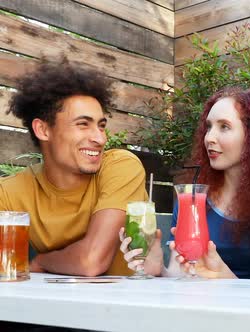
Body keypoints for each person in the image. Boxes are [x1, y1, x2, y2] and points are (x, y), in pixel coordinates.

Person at [0, 58, 147, 276]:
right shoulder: (10, 192)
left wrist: (41, 261)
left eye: (101, 126)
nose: (100, 138)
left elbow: (91, 261)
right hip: (56, 305)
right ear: (43, 129)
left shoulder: (121, 166)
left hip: (127, 303)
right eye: (83, 124)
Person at [120, 87, 250, 278]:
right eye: (208, 127)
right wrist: (158, 269)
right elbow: (181, 273)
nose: (209, 138)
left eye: (224, 126)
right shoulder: (191, 200)